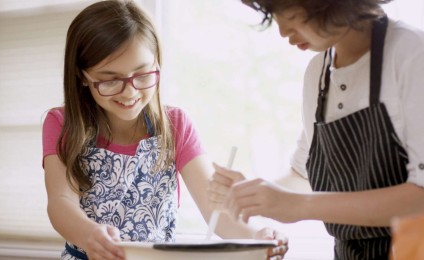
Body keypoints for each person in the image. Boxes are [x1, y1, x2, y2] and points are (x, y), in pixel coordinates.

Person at [42, 1, 288, 259]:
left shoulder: (176, 125)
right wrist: (88, 234)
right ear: (82, 76)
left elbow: (216, 210)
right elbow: (61, 202)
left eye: (142, 74)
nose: (130, 92)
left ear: (157, 63)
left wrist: (257, 235)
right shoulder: (61, 123)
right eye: (110, 80)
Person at [208, 0, 424, 259]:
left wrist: (299, 206)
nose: (283, 31)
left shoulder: (412, 55)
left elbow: (419, 198)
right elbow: (303, 176)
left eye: (288, 12)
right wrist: (254, 195)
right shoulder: (318, 73)